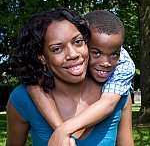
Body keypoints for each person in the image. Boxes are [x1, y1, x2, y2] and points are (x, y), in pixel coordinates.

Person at [6, 8, 134, 146]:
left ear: (86, 42)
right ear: (42, 57)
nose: (73, 54)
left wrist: (63, 131)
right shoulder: (22, 98)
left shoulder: (120, 95)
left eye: (77, 42)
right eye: (57, 49)